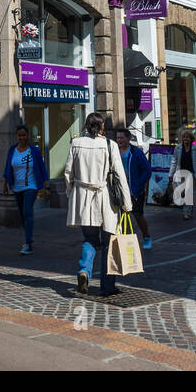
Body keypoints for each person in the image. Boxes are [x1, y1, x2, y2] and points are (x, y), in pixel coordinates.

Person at [64, 112, 131, 296]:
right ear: (102, 128)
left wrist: (72, 194)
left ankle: (84, 271)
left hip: (83, 198)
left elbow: (68, 173)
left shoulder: (76, 143)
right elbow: (119, 175)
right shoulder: (110, 145)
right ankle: (107, 286)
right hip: (106, 200)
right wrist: (127, 204)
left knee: (90, 239)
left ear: (86, 126)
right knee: (108, 243)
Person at [2, 125, 48, 254]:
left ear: (28, 136)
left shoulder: (34, 150)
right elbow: (7, 168)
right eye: (19, 135)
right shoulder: (12, 150)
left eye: (24, 135)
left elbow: (42, 168)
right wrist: (5, 184)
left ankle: (28, 243)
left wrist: (46, 186)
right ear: (16, 136)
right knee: (23, 214)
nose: (22, 137)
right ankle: (28, 236)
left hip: (31, 186)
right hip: (17, 187)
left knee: (27, 211)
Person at [114, 126, 153, 251]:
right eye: (117, 138)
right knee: (120, 216)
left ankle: (146, 237)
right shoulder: (114, 152)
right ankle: (124, 240)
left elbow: (147, 170)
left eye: (122, 138)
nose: (119, 140)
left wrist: (138, 183)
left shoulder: (136, 152)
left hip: (134, 190)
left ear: (128, 138)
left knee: (137, 215)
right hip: (119, 189)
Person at [167, 128, 196, 219]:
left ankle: (186, 212)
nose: (185, 139)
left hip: (191, 173)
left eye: (187, 137)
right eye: (184, 137)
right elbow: (174, 161)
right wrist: (170, 174)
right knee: (183, 192)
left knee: (188, 192)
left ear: (191, 138)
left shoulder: (195, 149)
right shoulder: (178, 148)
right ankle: (189, 206)